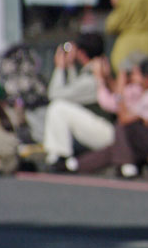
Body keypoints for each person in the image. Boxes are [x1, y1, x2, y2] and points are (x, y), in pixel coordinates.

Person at [41, 32, 116, 168]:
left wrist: (60, 68)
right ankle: (58, 154)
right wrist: (70, 67)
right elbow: (74, 91)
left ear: (81, 53)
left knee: (57, 107)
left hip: (107, 133)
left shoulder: (93, 77)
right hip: (105, 128)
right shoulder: (98, 69)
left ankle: (59, 156)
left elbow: (55, 95)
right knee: (60, 107)